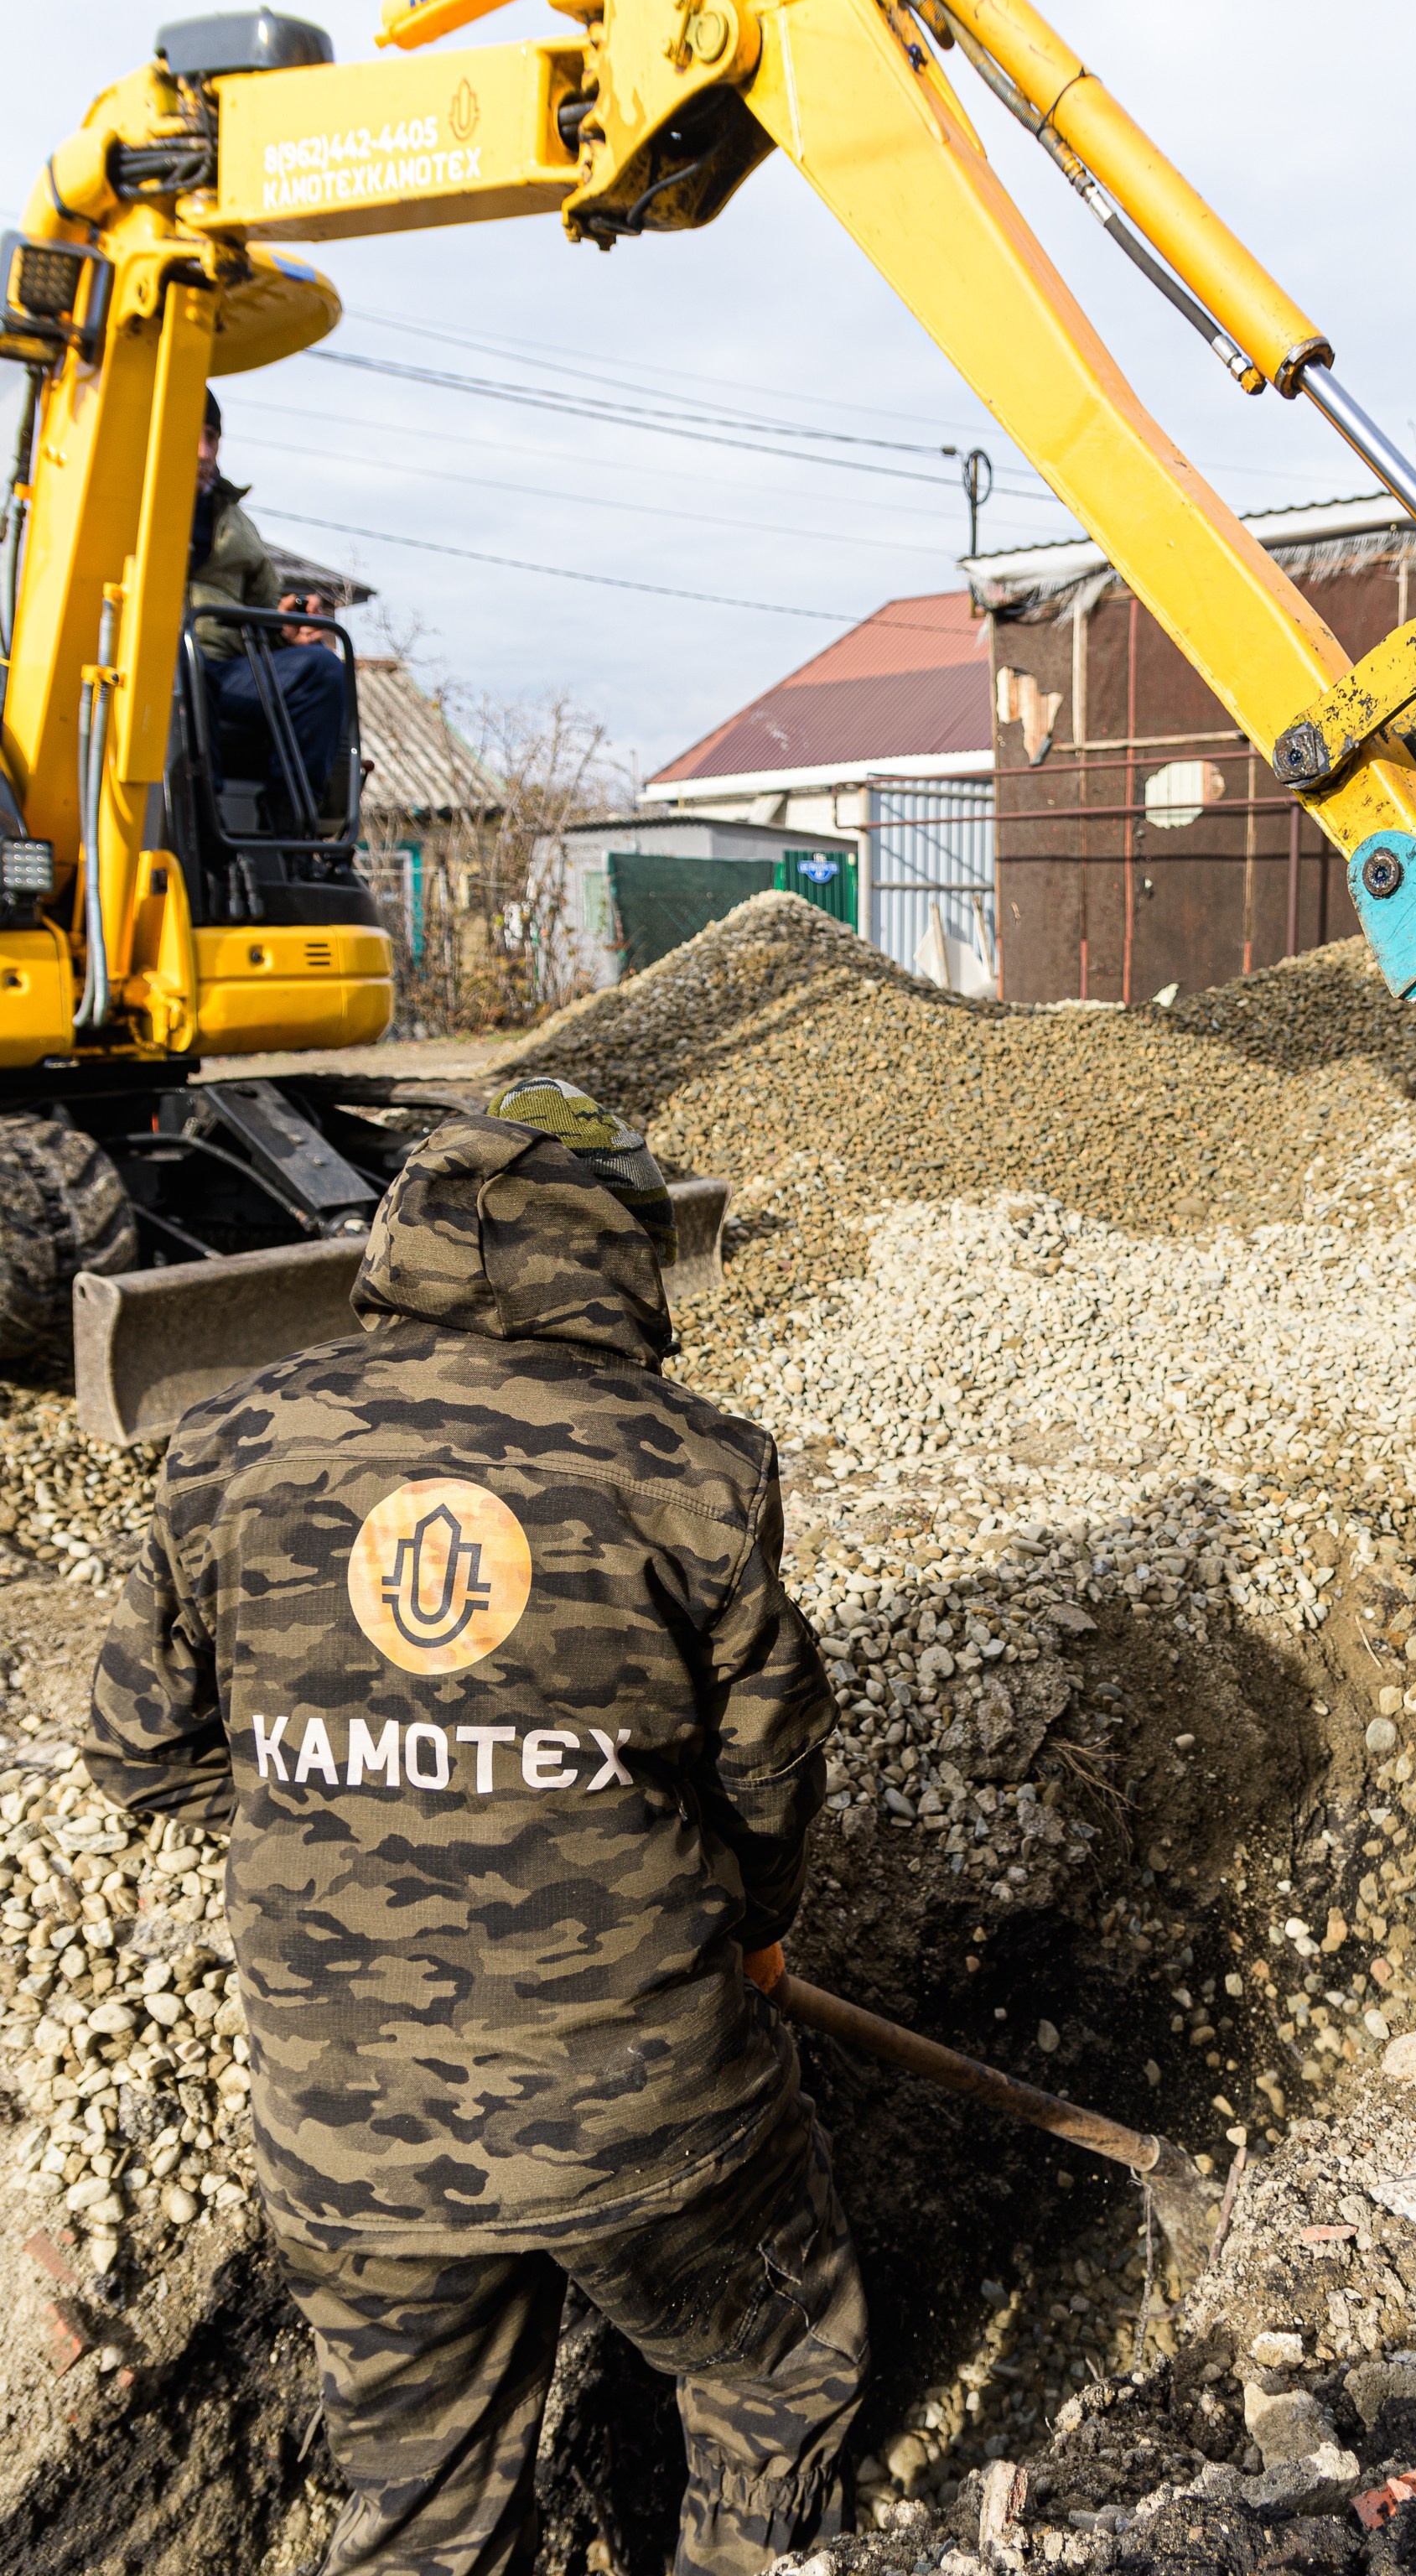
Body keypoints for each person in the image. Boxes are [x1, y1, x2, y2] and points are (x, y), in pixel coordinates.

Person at [84, 1077, 867, 2576]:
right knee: (776, 2367)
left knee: (421, 2514)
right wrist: (751, 1931)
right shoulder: (692, 1467)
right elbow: (771, 1777)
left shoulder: (228, 1446)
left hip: (347, 2134)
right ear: (618, 1262)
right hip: (647, 2110)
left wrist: (346, 1791)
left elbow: (134, 1757)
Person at [189, 385, 348, 802]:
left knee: (322, 669)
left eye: (212, 438)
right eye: (191, 435)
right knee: (178, 662)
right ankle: (202, 821)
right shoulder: (124, 504)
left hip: (227, 671)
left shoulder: (235, 523)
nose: (205, 453)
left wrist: (284, 629)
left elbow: (262, 604)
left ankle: (291, 820)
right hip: (158, 663)